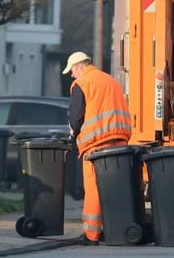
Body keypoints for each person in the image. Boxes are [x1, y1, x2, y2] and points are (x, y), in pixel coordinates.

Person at [62, 51, 132, 245]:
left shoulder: (81, 84)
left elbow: (75, 117)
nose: (72, 75)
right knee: (115, 188)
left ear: (80, 67)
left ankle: (92, 234)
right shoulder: (110, 80)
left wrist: (73, 135)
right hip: (119, 140)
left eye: (72, 71)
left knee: (93, 188)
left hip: (96, 144)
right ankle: (118, 230)